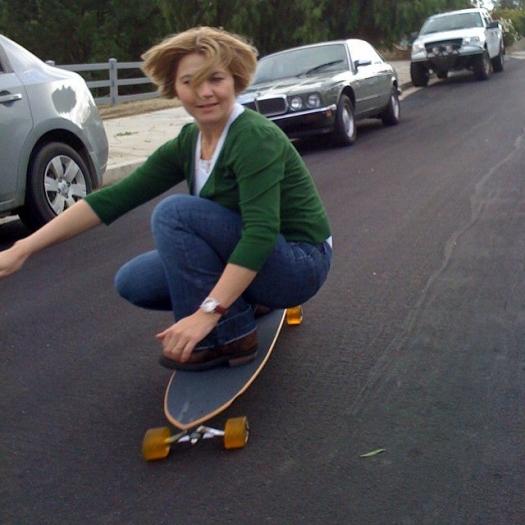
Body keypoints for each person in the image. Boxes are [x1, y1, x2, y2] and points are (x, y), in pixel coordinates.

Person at [0, 27, 332, 371]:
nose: (204, 92)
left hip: (301, 261)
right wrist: (22, 249)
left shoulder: (253, 137)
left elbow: (261, 234)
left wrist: (207, 313)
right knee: (135, 281)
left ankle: (228, 335)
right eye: (189, 82)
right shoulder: (189, 141)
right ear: (175, 88)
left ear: (235, 79)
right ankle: (246, 301)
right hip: (263, 258)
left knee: (175, 213)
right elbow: (113, 199)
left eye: (215, 79)